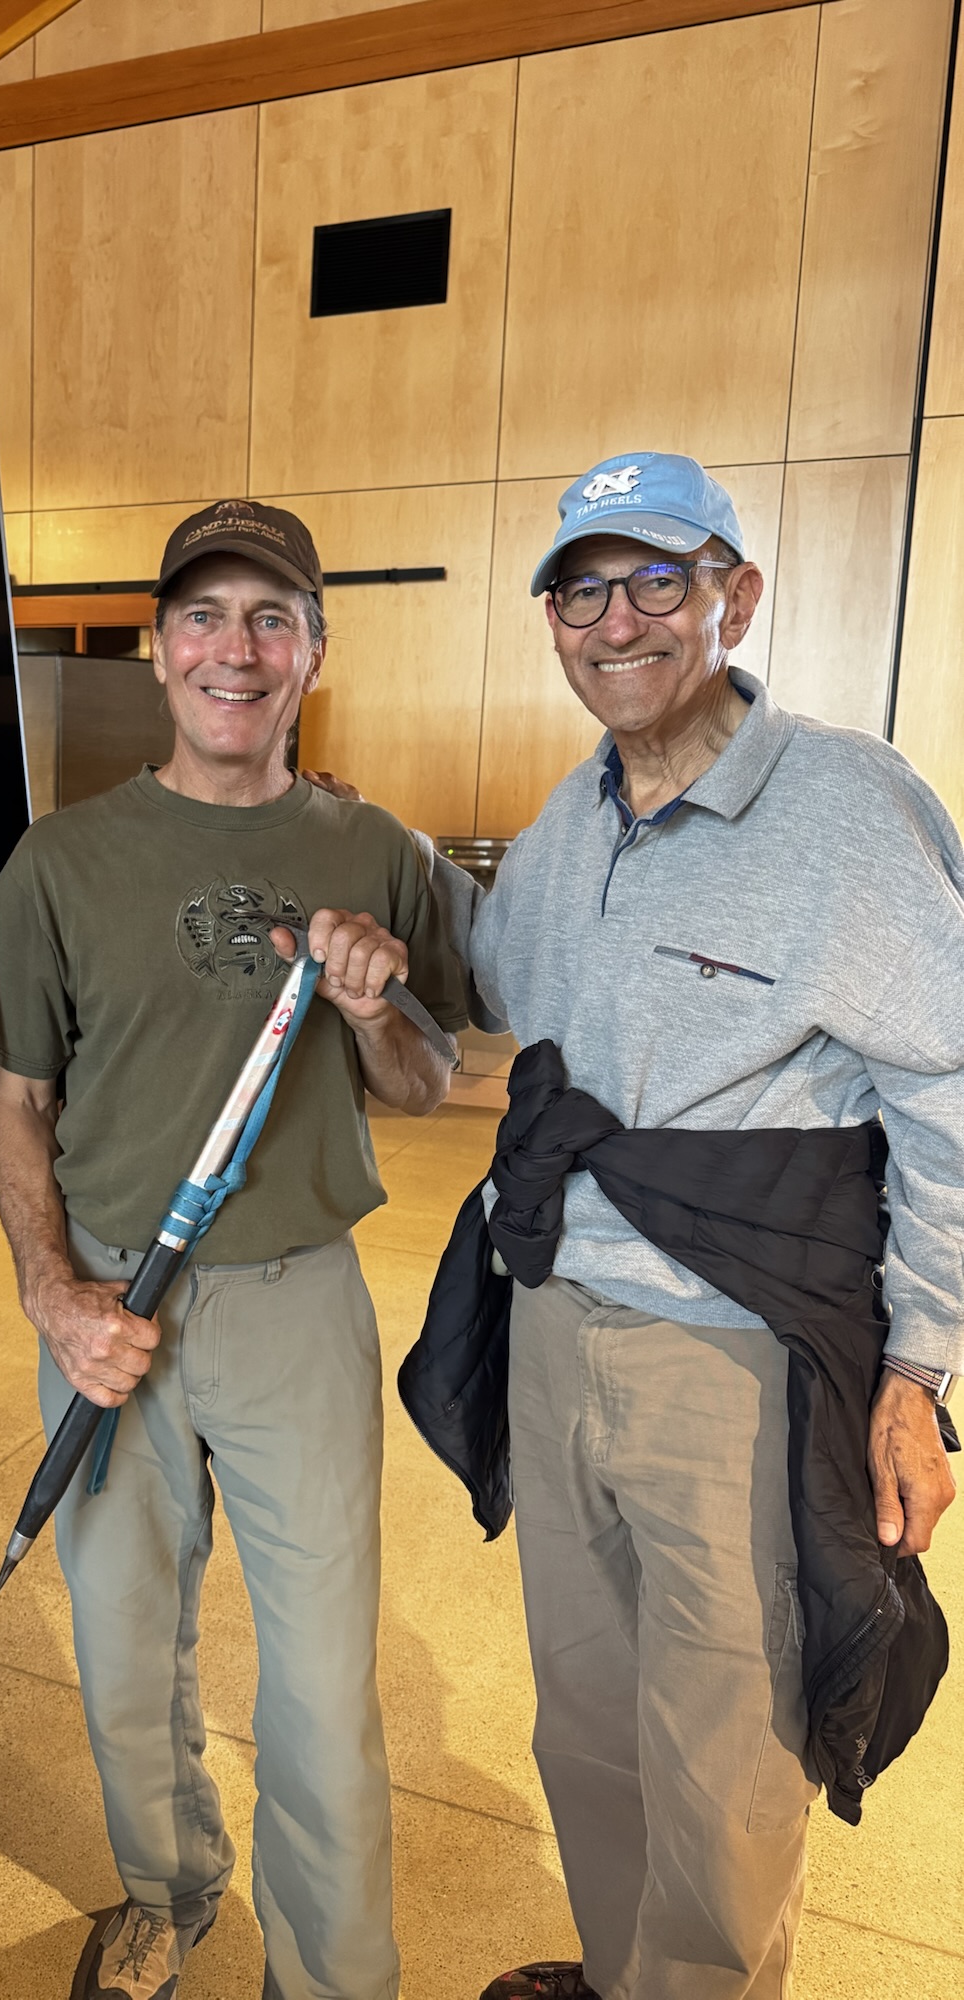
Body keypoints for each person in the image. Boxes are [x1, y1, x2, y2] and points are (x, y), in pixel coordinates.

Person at [445, 453, 960, 2000]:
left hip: (735, 1347)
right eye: (582, 591)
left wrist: (921, 1369)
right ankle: (627, 1977)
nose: (618, 621)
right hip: (558, 1324)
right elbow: (494, 991)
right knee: (590, 1719)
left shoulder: (848, 807)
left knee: (725, 1745)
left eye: (657, 580)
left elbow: (949, 1090)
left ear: (736, 595)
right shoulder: (571, 817)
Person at [0, 500, 472, 2000]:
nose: (233, 650)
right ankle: (167, 1891)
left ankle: (333, 1975)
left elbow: (428, 1083)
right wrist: (51, 1296)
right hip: (109, 1298)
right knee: (124, 1646)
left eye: (269, 619)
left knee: (320, 1676)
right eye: (203, 616)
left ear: (314, 650)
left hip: (298, 1302)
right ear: (157, 646)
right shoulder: (62, 860)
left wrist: (372, 1011)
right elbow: (19, 1099)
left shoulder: (374, 848)